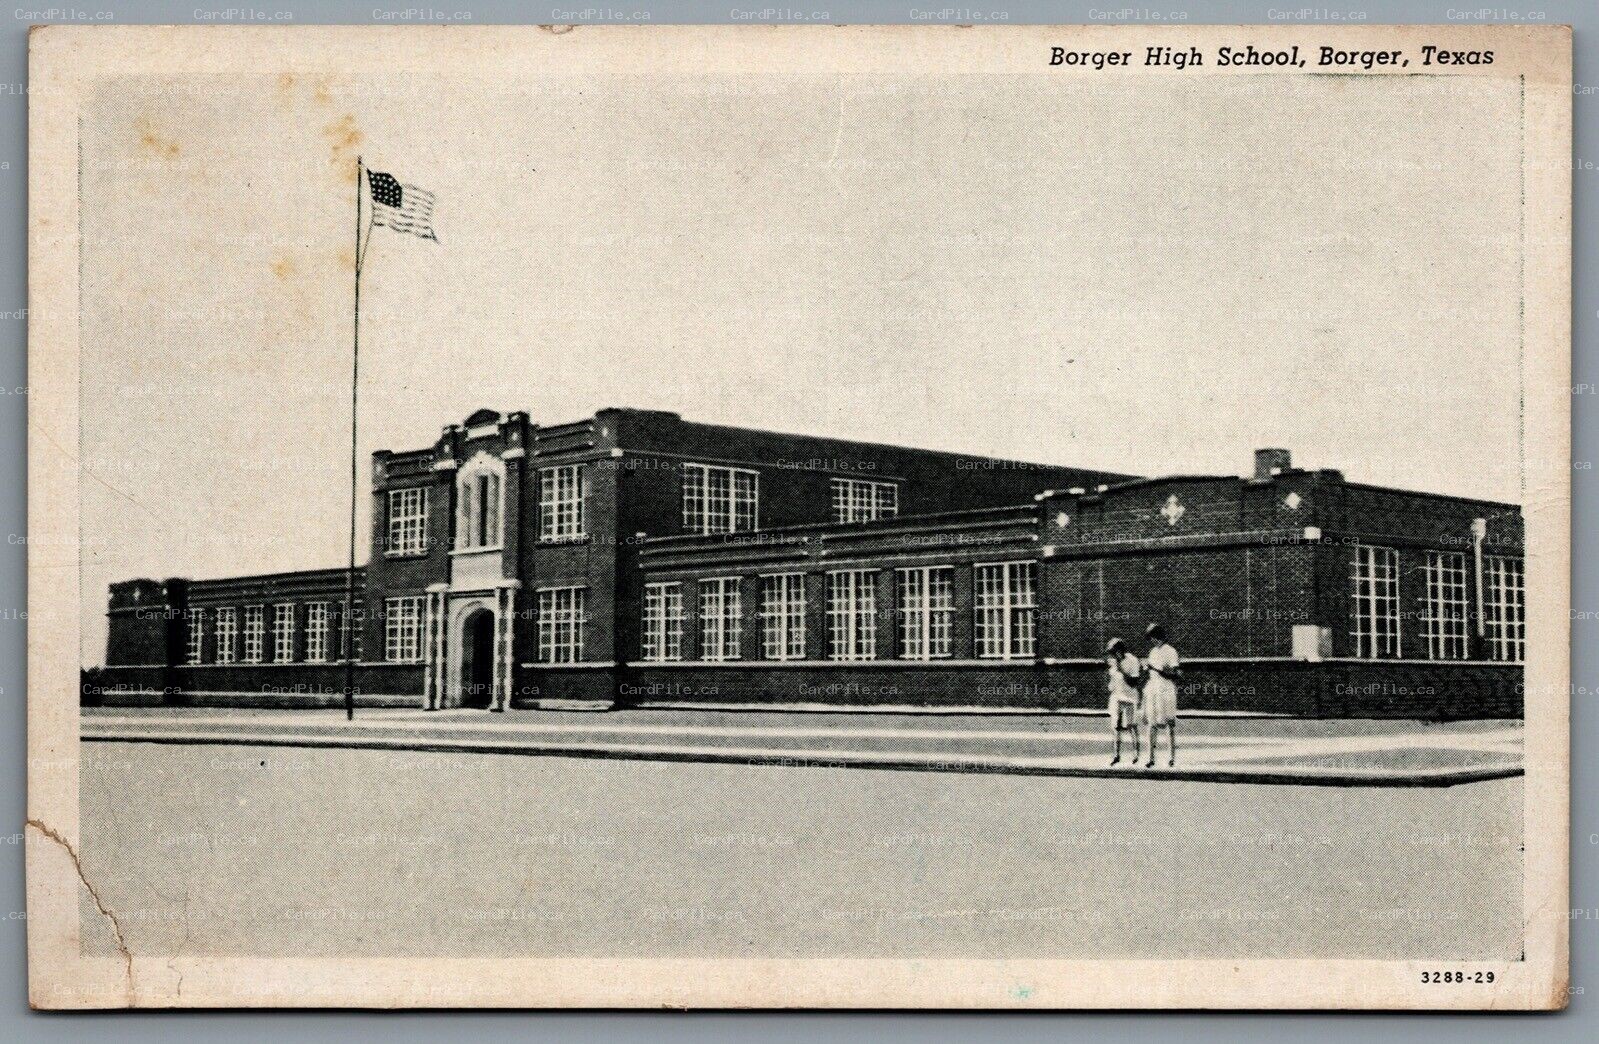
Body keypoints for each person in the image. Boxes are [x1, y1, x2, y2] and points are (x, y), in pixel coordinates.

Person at [1142, 623, 1181, 767]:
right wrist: (1148, 669)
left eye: (1152, 637)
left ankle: (1171, 758)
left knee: (1169, 723)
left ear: (1158, 636)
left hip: (1166, 689)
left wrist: (1155, 669)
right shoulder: (1152, 652)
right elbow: (1152, 672)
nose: (1152, 640)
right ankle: (1151, 758)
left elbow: (1175, 674)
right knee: (1151, 723)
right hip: (1153, 688)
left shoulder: (1170, 651)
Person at [1104, 638, 1143, 766]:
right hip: (1117, 696)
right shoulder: (1113, 662)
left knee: (1131, 726)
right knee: (1116, 726)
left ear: (1120, 651)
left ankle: (1136, 754)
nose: (1113, 656)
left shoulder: (1132, 660)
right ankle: (1116, 755)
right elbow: (1113, 680)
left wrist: (1121, 670)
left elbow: (1134, 682)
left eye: (1114, 653)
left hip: (1130, 697)